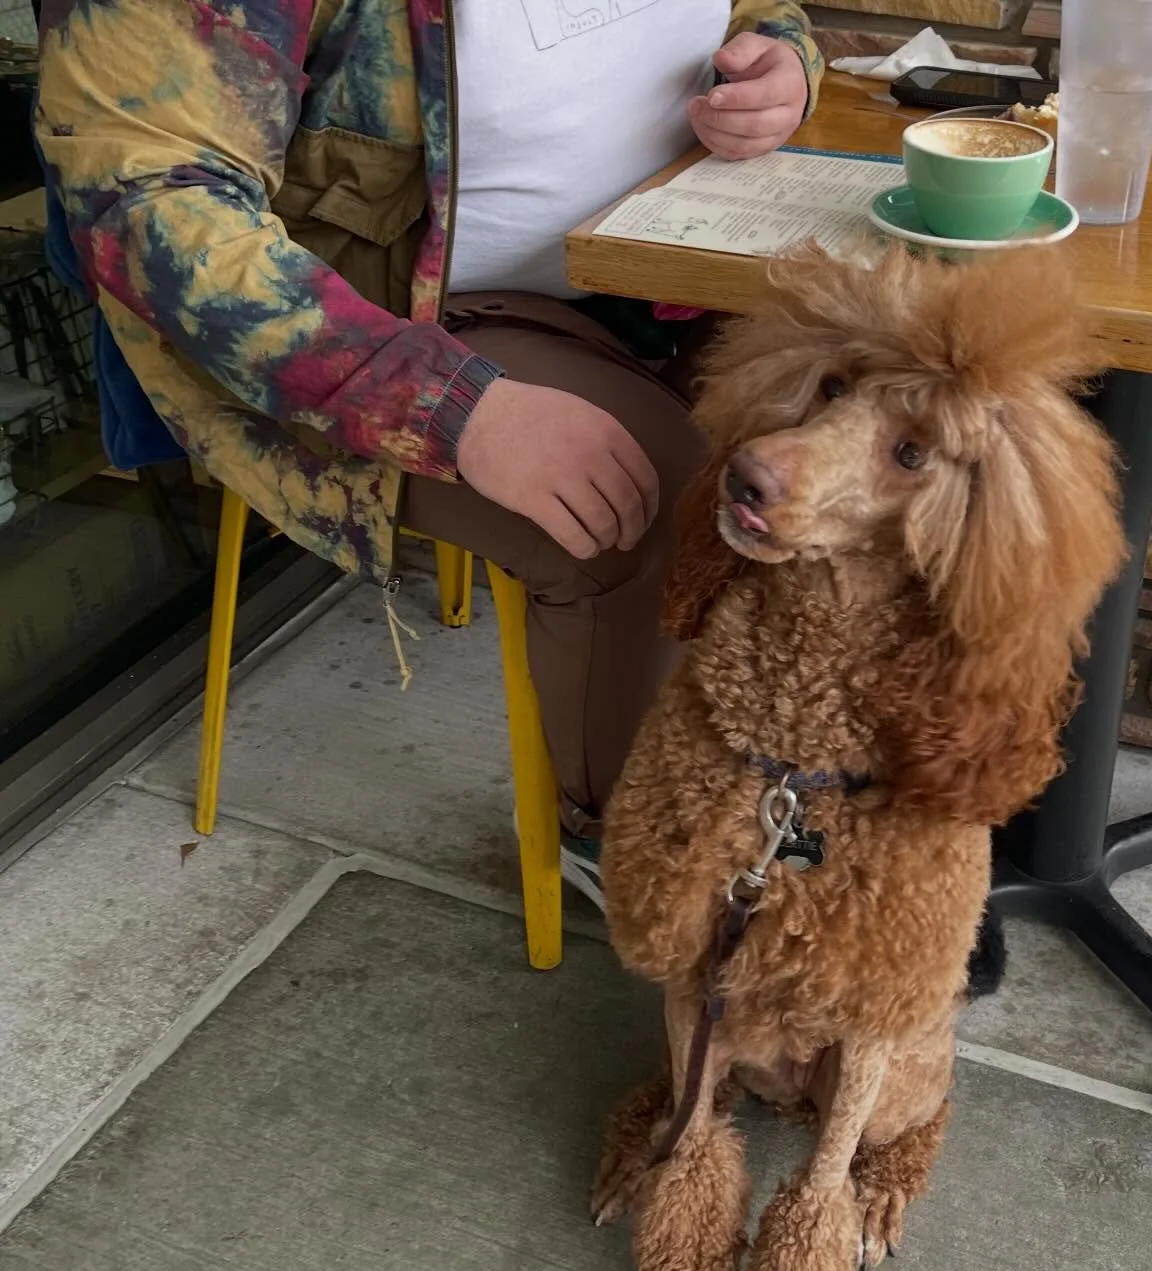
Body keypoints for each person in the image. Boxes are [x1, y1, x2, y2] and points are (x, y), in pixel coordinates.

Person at [35, 0, 821, 910]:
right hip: (400, 316)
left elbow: (759, 11)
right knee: (642, 509)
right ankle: (640, 854)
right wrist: (449, 407)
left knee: (859, 440)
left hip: (661, 262)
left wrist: (785, 69)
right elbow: (147, 202)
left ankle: (811, 789)